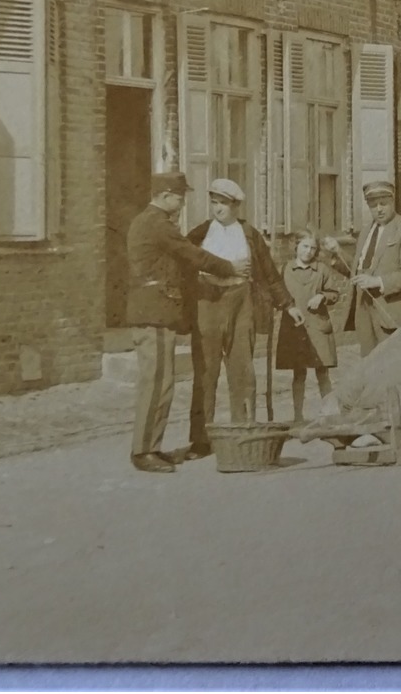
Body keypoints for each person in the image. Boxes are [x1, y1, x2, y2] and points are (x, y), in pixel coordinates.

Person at [125, 172, 239, 473]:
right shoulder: (157, 224)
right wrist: (229, 267)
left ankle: (151, 446)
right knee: (156, 383)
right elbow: (193, 255)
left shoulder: (152, 222)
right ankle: (143, 451)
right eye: (180, 196)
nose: (182, 201)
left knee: (161, 382)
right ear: (165, 195)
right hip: (154, 311)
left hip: (157, 311)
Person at [183, 178, 298, 454]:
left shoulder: (249, 235)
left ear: (235, 206)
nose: (217, 208)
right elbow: (182, 264)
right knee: (206, 373)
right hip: (207, 303)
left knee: (242, 370)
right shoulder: (199, 234)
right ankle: (201, 439)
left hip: (240, 302)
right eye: (214, 202)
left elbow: (269, 273)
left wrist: (288, 304)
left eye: (223, 203)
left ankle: (243, 431)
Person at [343, 179, 401, 357]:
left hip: (391, 312)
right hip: (364, 310)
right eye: (373, 205)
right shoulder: (366, 232)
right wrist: (336, 257)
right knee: (369, 367)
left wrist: (377, 281)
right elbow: (361, 269)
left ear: (393, 202)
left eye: (383, 204)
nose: (378, 209)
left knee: (392, 367)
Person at [275, 229, 348, 423]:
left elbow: (334, 293)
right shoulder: (285, 269)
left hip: (317, 327)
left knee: (322, 373)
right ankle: (298, 416)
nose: (308, 251)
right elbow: (277, 296)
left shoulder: (321, 269)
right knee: (299, 374)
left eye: (313, 248)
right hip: (295, 329)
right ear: (296, 246)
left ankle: (330, 414)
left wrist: (322, 296)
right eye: (305, 246)